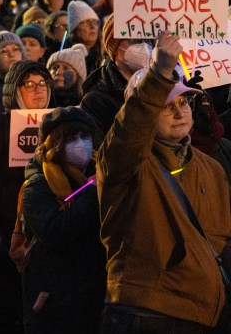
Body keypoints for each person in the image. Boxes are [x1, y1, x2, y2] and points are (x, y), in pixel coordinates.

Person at [99, 33, 231, 332]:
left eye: (184, 101)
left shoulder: (210, 168)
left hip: (206, 315)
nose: (179, 110)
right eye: (166, 103)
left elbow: (223, 242)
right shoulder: (124, 163)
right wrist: (158, 74)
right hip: (148, 314)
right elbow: (130, 129)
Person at [0, 59, 54, 334]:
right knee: (4, 305)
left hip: (47, 231)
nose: (38, 90)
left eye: (43, 83)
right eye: (29, 84)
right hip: (5, 233)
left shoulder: (59, 125)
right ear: (14, 91)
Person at [20, 107, 104, 334]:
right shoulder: (38, 184)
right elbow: (54, 231)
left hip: (94, 293)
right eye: (71, 138)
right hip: (54, 298)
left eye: (85, 136)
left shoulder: (102, 172)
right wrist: (90, 193)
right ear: (54, 143)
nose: (81, 144)